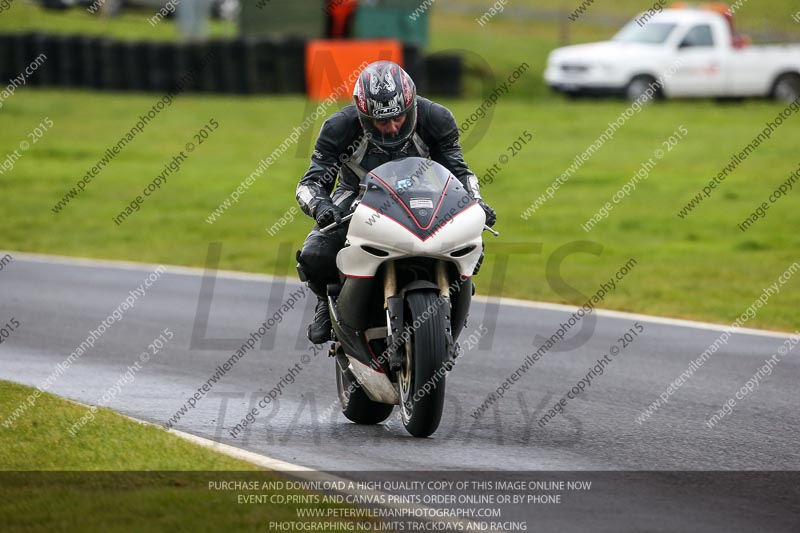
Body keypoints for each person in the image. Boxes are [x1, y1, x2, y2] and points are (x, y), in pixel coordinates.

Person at [295, 60, 496, 344]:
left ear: (411, 107)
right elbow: (310, 183)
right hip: (356, 194)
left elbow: (458, 171)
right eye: (381, 120)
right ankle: (326, 303)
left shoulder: (436, 118)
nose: (391, 127)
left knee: (473, 241)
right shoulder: (339, 127)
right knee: (315, 253)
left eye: (398, 118)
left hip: (422, 191)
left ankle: (453, 290)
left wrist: (476, 202)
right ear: (364, 116)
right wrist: (321, 208)